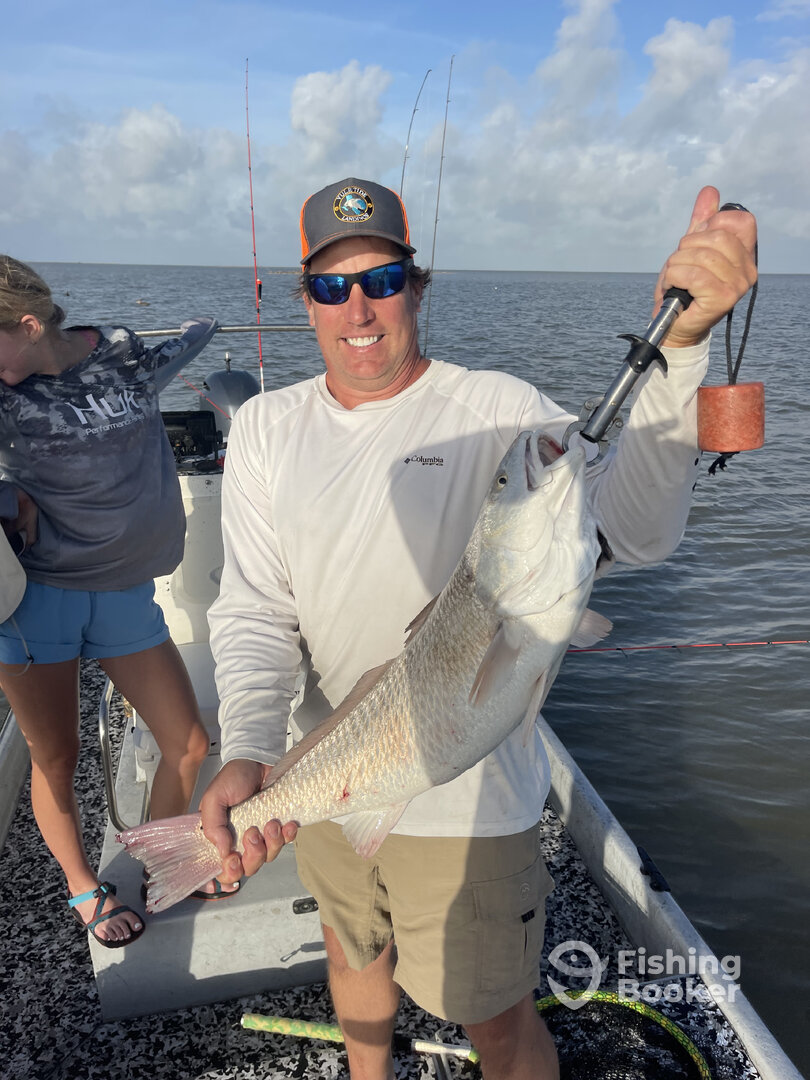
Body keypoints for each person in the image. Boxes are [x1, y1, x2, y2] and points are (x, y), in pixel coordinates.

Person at [200, 178, 758, 1079]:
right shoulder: (267, 426)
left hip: (471, 807)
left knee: (495, 1017)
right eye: (333, 287)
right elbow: (257, 608)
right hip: (325, 768)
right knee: (353, 956)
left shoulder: (501, 409)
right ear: (306, 301)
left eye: (382, 281)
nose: (359, 310)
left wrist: (684, 351)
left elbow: (637, 530)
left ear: (417, 288)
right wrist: (250, 748)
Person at [0, 256, 235, 950]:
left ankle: (159, 860)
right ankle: (84, 886)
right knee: (57, 757)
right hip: (36, 601)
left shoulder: (124, 357)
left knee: (188, 744)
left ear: (31, 325)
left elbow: (187, 341)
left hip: (126, 595)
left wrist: (204, 325)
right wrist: (8, 495)